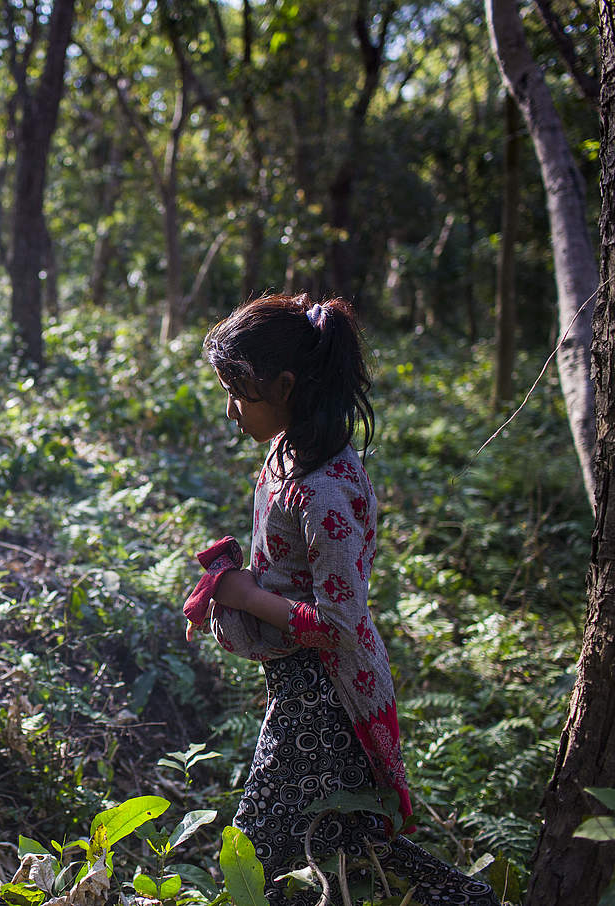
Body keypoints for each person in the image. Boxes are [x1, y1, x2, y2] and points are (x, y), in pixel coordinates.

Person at [183, 294, 500, 905]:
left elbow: (337, 624)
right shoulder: (285, 457)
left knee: (261, 845)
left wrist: (245, 594)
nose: (231, 410)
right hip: (302, 684)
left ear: (286, 385)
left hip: (327, 694)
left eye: (242, 395)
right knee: (347, 839)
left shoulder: (323, 491)